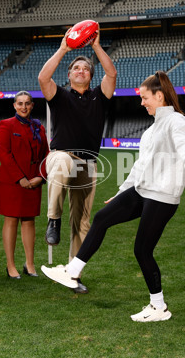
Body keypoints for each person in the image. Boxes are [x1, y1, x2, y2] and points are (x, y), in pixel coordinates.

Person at [41, 71, 185, 322]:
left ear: (159, 96)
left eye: (144, 97)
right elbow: (140, 167)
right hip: (142, 190)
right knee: (102, 217)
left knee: (142, 250)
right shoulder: (151, 131)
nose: (141, 102)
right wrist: (121, 192)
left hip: (162, 196)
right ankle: (72, 271)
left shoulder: (176, 121)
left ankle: (159, 307)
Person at [37, 23, 117, 293]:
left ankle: (73, 273)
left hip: (88, 162)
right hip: (62, 156)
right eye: (76, 68)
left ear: (90, 76)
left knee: (82, 221)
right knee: (61, 162)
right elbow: (43, 78)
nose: (81, 71)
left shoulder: (99, 96)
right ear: (69, 75)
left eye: (85, 69)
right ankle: (53, 219)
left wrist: (95, 46)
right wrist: (63, 48)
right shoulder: (58, 95)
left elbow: (112, 73)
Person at [0, 91, 49, 279]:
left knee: (29, 221)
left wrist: (41, 177)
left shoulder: (39, 127)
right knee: (11, 220)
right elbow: (4, 153)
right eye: (20, 103)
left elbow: (46, 155)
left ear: (32, 105)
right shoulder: (6, 125)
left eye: (27, 103)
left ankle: (30, 264)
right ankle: (10, 266)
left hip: (34, 181)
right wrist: (20, 178)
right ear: (14, 105)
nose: (23, 107)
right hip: (12, 182)